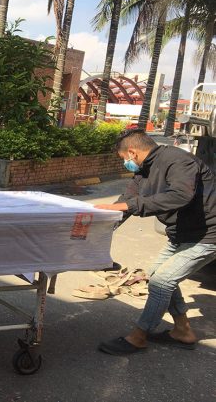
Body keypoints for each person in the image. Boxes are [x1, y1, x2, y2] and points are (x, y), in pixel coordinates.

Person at [95, 129, 216, 355]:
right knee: (158, 276)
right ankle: (182, 331)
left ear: (132, 152)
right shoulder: (143, 170)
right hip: (181, 234)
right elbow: (128, 200)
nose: (125, 164)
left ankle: (139, 336)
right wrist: (100, 229)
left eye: (124, 159)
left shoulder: (178, 161)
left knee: (162, 281)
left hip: (207, 235)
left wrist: (128, 206)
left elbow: (180, 195)